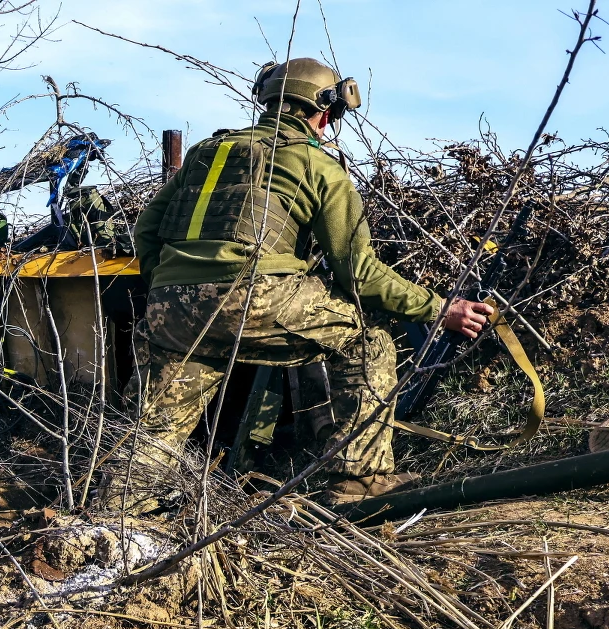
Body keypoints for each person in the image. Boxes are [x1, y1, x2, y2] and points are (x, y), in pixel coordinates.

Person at [127, 57, 490, 507]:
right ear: (325, 112)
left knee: (155, 426)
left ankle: (119, 512)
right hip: (255, 297)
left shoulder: (207, 151)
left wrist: (171, 289)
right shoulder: (320, 167)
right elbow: (359, 274)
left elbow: (146, 231)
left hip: (170, 308)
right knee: (367, 339)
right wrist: (440, 308)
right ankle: (359, 480)